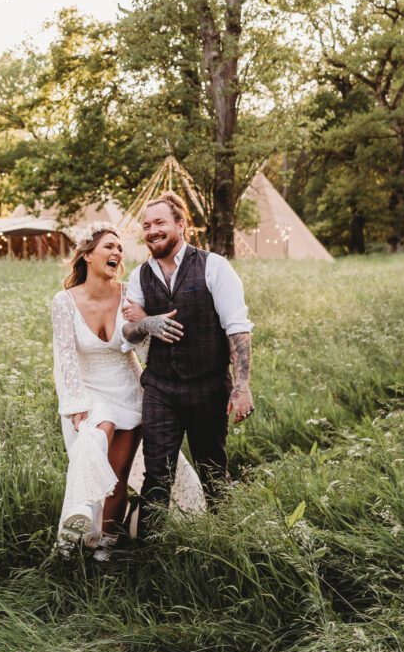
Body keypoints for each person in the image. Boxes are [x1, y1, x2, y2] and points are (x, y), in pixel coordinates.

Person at [51, 221, 199, 561]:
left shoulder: (129, 292)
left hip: (128, 387)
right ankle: (75, 521)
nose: (117, 252)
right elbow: (65, 357)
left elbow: (141, 343)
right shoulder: (64, 301)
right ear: (87, 255)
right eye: (109, 247)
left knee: (117, 476)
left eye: (120, 248)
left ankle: (106, 541)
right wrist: (75, 404)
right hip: (89, 390)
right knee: (96, 434)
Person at [121, 191, 254, 537]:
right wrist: (147, 323)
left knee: (213, 469)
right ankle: (150, 552)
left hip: (208, 386)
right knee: (157, 474)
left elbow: (237, 328)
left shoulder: (214, 266)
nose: (152, 230)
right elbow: (128, 333)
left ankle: (228, 541)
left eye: (160, 223)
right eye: (147, 225)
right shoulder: (139, 276)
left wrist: (241, 387)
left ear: (181, 225)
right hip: (161, 387)